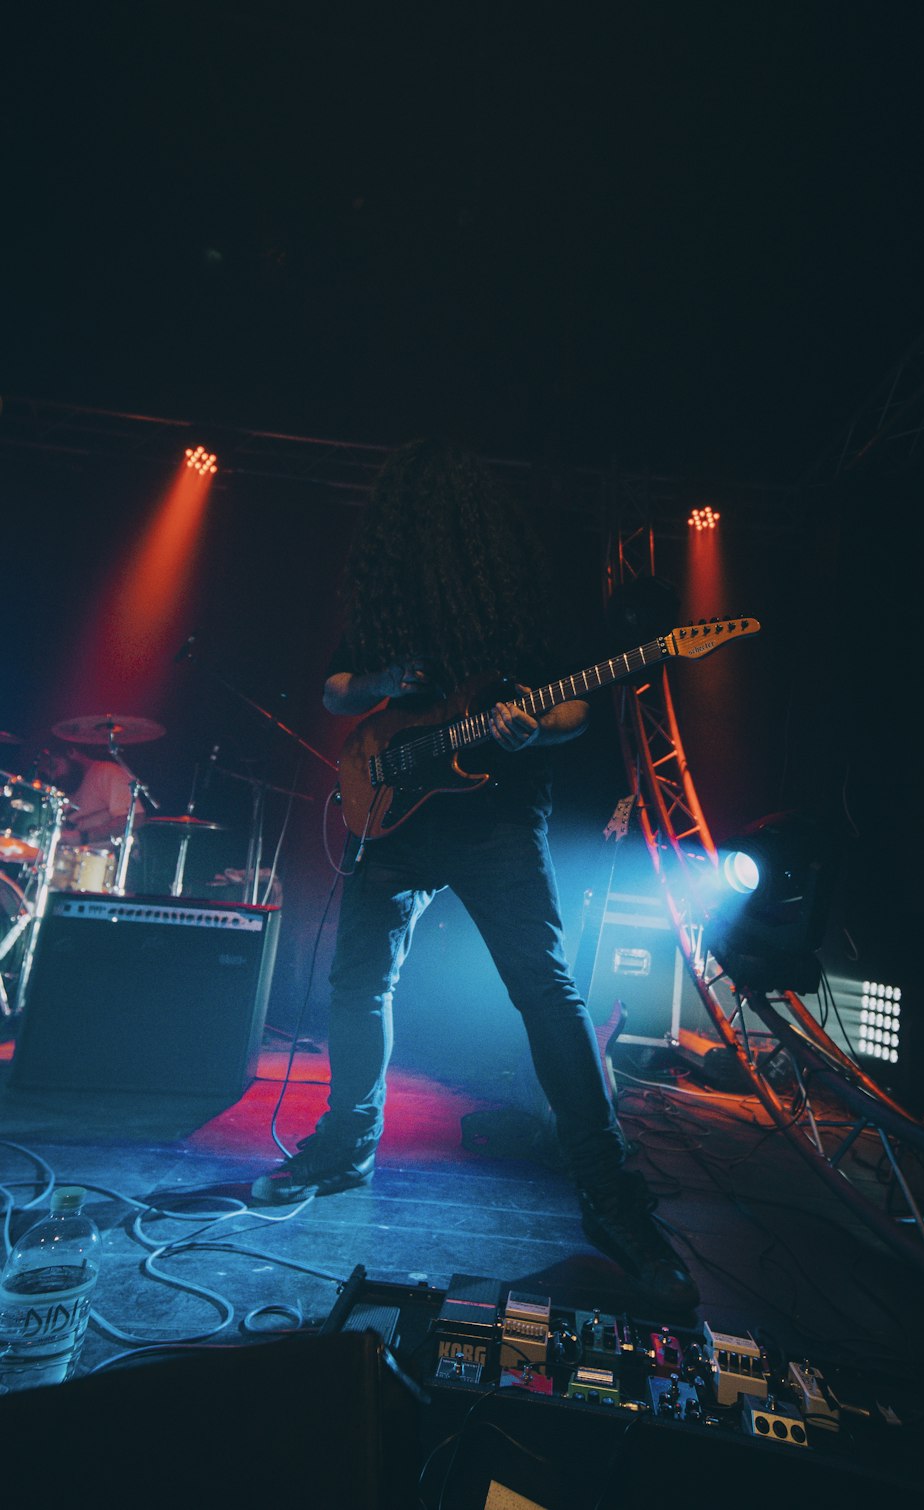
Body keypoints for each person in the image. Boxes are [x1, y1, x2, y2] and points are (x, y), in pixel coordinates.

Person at [251, 439, 699, 1311]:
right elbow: (339, 691)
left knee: (544, 989)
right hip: (396, 816)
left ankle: (610, 1198)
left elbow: (571, 703)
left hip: (496, 817)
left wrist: (539, 727)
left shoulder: (519, 599)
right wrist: (380, 677)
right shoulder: (386, 597)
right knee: (359, 982)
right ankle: (348, 1143)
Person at [37, 745, 145, 846]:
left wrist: (84, 837)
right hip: (69, 858)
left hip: (108, 859)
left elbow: (135, 818)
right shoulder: (64, 786)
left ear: (70, 753)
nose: (54, 777)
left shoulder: (107, 772)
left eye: (53, 767)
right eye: (46, 774)